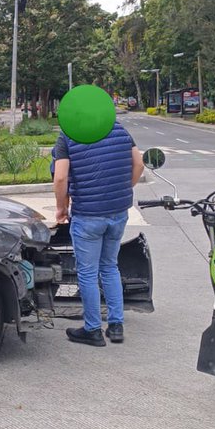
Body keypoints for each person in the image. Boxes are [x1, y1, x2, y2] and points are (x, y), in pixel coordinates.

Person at [52, 121, 145, 346]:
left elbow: (61, 177)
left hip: (88, 215)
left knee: (87, 273)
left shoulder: (69, 135)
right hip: (118, 212)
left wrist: (61, 207)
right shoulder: (120, 129)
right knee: (110, 266)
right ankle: (115, 326)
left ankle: (92, 329)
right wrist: (123, 190)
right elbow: (139, 164)